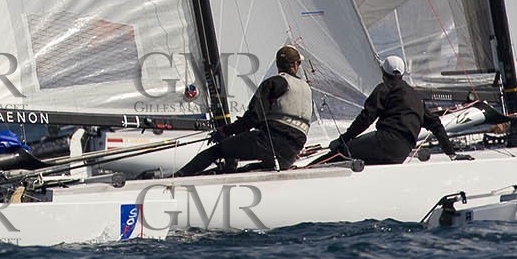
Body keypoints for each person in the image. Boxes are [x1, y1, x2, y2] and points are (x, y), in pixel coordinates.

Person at [176, 45, 314, 177]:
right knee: (249, 160)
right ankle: (232, 170)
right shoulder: (307, 88)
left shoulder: (274, 83)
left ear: (278, 64)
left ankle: (178, 176)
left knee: (216, 151)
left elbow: (253, 117)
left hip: (269, 141)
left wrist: (225, 131)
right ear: (296, 65)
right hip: (293, 150)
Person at [326, 55, 466, 165]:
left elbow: (366, 118)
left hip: (384, 142)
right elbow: (436, 124)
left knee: (339, 154)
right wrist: (451, 153)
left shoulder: (384, 89)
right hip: (402, 151)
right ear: (402, 74)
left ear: (383, 73)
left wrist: (343, 140)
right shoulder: (415, 96)